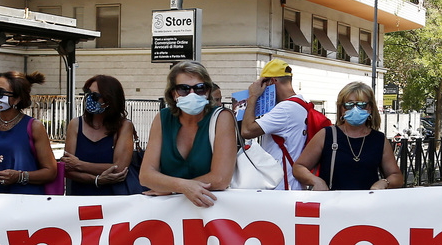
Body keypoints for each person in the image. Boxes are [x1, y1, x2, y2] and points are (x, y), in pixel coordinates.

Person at [140, 60, 236, 207]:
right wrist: (182, 187)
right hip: (169, 213)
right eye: (184, 89)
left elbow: (220, 178)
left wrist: (171, 189)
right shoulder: (163, 118)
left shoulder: (221, 118)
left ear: (208, 91)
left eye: (199, 88)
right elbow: (146, 175)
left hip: (212, 210)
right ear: (173, 93)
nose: (192, 94)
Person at [292, 81, 404, 191]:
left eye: (361, 105)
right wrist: (315, 181)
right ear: (341, 109)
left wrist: (384, 182)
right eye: (349, 105)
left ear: (370, 108)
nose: (355, 109)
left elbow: (396, 176)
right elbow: (299, 167)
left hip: (368, 204)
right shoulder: (326, 135)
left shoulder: (379, 139)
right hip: (332, 204)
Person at [0, 70, 56, 194]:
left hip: (26, 200)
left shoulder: (34, 126)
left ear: (17, 99)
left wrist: (19, 176)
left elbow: (51, 171)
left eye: (0, 93)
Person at [60, 74, 139, 195]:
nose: (89, 98)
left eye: (95, 96)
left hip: (114, 199)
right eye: (87, 93)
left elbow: (119, 168)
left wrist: (79, 164)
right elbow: (67, 168)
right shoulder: (76, 124)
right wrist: (97, 180)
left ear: (109, 99)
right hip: (80, 198)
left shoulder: (124, 126)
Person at [238, 59, 310, 189]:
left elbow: (247, 131)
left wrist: (253, 96)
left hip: (281, 186)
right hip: (292, 184)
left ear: (271, 81)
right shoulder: (301, 104)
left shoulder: (285, 109)